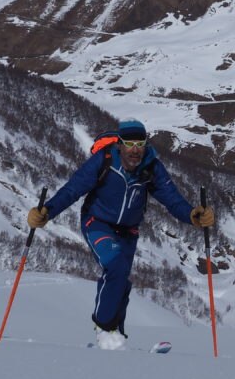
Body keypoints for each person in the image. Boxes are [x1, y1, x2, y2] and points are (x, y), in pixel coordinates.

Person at [27, 118, 215, 349]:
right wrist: (47, 212)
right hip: (97, 223)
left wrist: (193, 215)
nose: (135, 150)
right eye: (129, 144)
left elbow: (172, 200)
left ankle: (116, 337)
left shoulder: (151, 167)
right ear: (119, 144)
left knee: (121, 279)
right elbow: (73, 189)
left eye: (140, 144)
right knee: (115, 266)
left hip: (129, 231)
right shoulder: (103, 160)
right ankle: (104, 328)